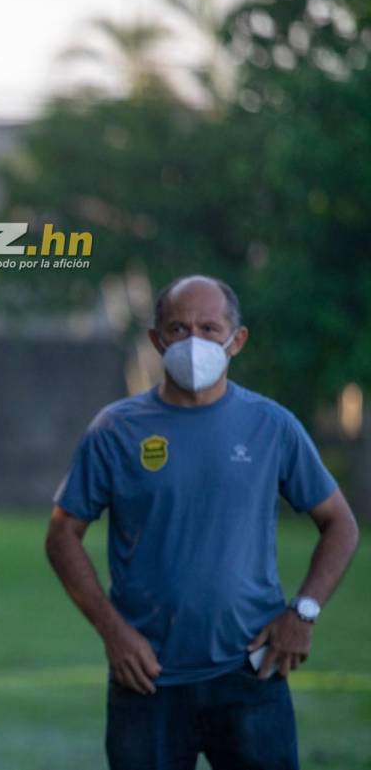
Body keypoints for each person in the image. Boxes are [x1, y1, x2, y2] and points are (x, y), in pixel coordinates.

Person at [46, 275, 360, 770]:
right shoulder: (116, 429)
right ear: (156, 339)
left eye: (210, 329)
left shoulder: (271, 425)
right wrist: (112, 632)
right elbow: (63, 533)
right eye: (178, 328)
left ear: (237, 341)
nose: (194, 342)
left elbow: (340, 523)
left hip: (250, 673)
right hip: (146, 676)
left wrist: (302, 613)